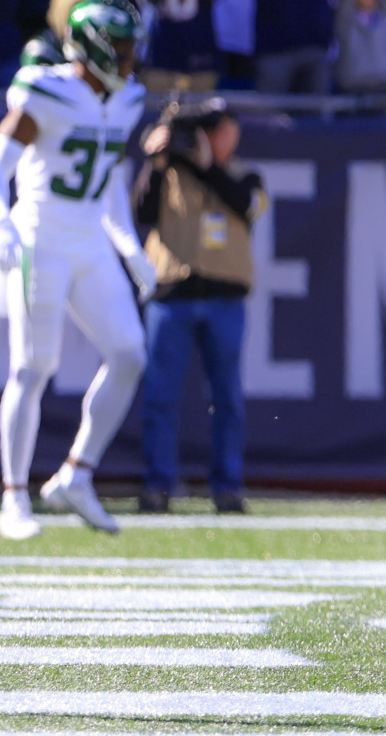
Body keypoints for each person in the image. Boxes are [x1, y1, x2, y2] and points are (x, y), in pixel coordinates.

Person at [0, 0, 155, 540]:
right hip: (40, 238)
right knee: (32, 368)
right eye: (120, 48)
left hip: (88, 242)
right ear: (95, 48)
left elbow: (110, 185)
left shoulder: (125, 100)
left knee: (129, 353)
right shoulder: (47, 91)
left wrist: (128, 248)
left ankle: (76, 475)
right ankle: (13, 497)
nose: (129, 58)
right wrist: (2, 221)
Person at [132, 100, 265, 513]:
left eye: (216, 128)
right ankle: (158, 484)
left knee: (227, 399)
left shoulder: (245, 176)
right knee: (160, 396)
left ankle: (227, 486)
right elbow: (141, 212)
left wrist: (206, 165)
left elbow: (246, 204)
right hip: (172, 297)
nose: (206, 137)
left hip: (224, 299)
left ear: (232, 133)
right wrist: (156, 160)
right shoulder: (167, 173)